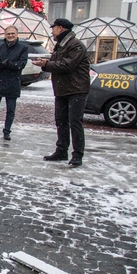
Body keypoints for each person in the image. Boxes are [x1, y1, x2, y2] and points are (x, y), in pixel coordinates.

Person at [32, 18, 90, 167]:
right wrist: (46, 64)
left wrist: (47, 64)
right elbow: (57, 63)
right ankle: (61, 150)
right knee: (61, 121)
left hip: (76, 89)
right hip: (62, 89)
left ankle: (77, 155)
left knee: (75, 122)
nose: (52, 31)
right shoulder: (61, 45)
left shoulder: (75, 45)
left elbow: (67, 65)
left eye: (54, 28)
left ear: (61, 28)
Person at [0, 25, 29, 141]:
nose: (10, 36)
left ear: (17, 34)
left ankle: (7, 131)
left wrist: (9, 64)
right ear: (5, 35)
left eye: (12, 34)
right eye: (8, 34)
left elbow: (22, 64)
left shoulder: (22, 48)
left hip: (12, 82)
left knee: (10, 109)